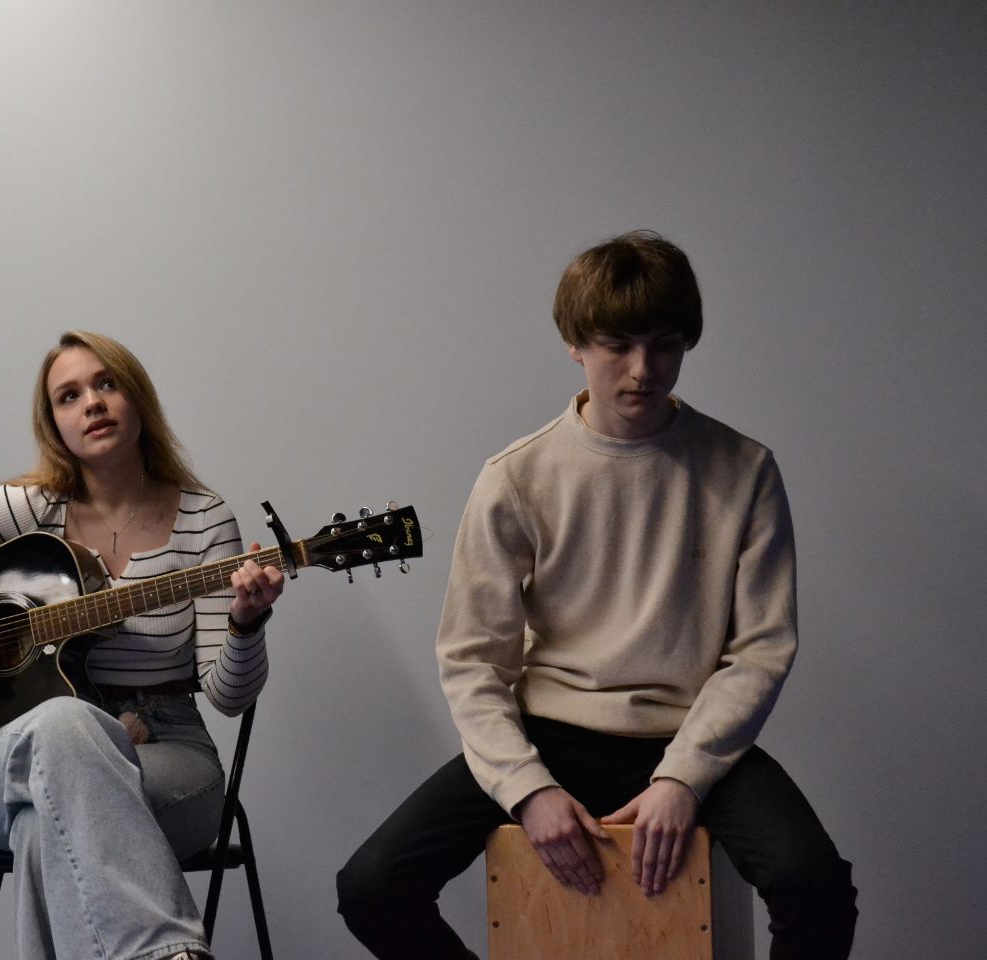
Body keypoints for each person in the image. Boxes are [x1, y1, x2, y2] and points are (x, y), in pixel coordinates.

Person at [337, 231, 857, 959]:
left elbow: (761, 650)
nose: (643, 370)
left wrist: (685, 777)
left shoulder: (744, 470)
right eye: (617, 345)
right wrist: (527, 789)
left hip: (689, 731)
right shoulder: (516, 477)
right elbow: (472, 659)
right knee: (372, 887)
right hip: (552, 731)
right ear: (575, 344)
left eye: (664, 345)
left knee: (816, 887)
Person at [0, 330, 284, 960]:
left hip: (168, 749)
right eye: (69, 396)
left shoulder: (204, 520)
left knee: (43, 824)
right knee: (63, 724)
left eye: (107, 383)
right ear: (55, 425)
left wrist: (245, 623)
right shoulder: (33, 508)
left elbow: (228, 698)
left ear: (137, 398)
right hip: (21, 752)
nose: (91, 402)